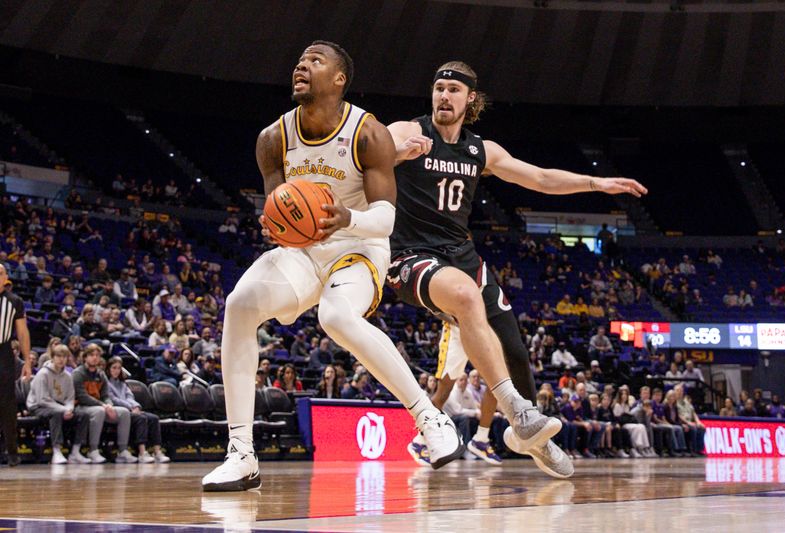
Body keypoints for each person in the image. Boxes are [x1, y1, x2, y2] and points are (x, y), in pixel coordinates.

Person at [203, 41, 464, 492]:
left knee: (336, 315)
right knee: (240, 303)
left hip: (359, 245)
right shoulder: (272, 138)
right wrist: (274, 225)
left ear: (339, 79)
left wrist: (348, 218)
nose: (301, 65)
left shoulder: (369, 133)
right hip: (304, 251)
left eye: (315, 60)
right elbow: (278, 206)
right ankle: (241, 453)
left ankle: (430, 419)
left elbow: (386, 218)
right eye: (300, 60)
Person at [387, 61, 646, 478]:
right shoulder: (407, 131)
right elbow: (368, 154)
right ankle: (467, 422)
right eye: (438, 88)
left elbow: (541, 178)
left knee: (514, 346)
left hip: (461, 255)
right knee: (463, 304)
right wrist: (394, 153)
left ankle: (531, 436)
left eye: (454, 90)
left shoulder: (480, 150)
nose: (444, 96)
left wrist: (597, 185)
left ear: (470, 99)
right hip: (410, 254)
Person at [72, 343, 137, 463]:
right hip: (80, 406)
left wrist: (109, 405)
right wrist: (103, 405)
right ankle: (93, 450)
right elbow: (82, 397)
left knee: (124, 412)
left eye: (97, 355)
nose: (95, 358)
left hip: (99, 406)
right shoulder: (78, 373)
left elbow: (106, 395)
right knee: (99, 411)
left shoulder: (101, 374)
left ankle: (122, 451)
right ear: (85, 357)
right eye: (91, 355)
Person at [26, 345, 84, 464]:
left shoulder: (68, 376)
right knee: (56, 413)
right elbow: (42, 399)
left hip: (60, 405)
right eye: (58, 356)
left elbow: (70, 398)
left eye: (64, 356)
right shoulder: (43, 374)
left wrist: (69, 409)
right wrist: (63, 410)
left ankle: (75, 451)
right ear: (52, 357)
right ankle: (56, 450)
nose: (61, 359)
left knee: (83, 415)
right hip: (38, 406)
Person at [106, 356, 170, 463]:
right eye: (114, 368)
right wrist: (130, 408)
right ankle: (142, 452)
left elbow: (129, 396)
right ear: (108, 369)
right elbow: (113, 399)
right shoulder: (107, 383)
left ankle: (157, 451)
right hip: (119, 411)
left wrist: (136, 406)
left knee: (153, 418)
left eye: (118, 368)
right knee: (141, 418)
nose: (116, 371)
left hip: (131, 409)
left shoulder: (123, 383)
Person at [0, 264, 31, 466]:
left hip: (3, 352)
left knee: (7, 404)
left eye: (2, 272)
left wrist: (27, 360)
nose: (2, 275)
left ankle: (12, 451)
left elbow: (22, 333)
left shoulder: (15, 301)